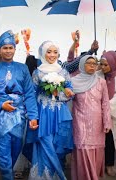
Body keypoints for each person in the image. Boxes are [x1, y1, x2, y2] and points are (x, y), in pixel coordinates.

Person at [0, 30, 38, 180]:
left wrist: (33, 116)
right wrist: (0, 105)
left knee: (16, 149)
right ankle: (7, 176)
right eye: (4, 48)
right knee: (3, 152)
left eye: (10, 47)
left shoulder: (23, 68)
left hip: (19, 116)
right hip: (1, 116)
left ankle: (9, 173)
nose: (8, 50)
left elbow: (30, 94)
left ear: (14, 49)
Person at [24, 40, 74, 180]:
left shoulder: (63, 71)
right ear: (43, 53)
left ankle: (55, 174)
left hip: (59, 113)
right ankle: (42, 175)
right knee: (44, 142)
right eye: (49, 51)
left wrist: (63, 93)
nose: (52, 55)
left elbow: (70, 91)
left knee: (57, 143)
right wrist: (31, 115)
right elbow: (31, 94)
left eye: (55, 52)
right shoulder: (37, 72)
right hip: (43, 112)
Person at [71, 55, 112, 180]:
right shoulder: (73, 82)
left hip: (97, 122)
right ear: (82, 65)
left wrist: (107, 122)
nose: (92, 66)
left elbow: (105, 103)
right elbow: (66, 99)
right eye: (89, 63)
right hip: (80, 121)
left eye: (94, 63)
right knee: (83, 148)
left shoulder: (101, 82)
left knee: (96, 149)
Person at [98, 51, 116, 176]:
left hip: (111, 114)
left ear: (113, 64)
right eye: (101, 64)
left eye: (106, 65)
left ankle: (109, 165)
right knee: (98, 140)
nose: (103, 67)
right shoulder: (97, 75)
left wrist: (105, 107)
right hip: (96, 113)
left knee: (109, 140)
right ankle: (98, 164)